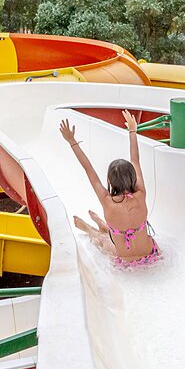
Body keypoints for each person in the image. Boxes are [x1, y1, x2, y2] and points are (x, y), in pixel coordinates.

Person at [62, 110, 159, 266]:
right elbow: (135, 159)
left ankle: (90, 229)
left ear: (110, 181)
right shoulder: (140, 194)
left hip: (125, 262)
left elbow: (89, 169)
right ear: (133, 177)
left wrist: (72, 141)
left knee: (102, 242)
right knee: (116, 237)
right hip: (152, 254)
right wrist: (133, 131)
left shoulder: (106, 200)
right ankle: (102, 225)